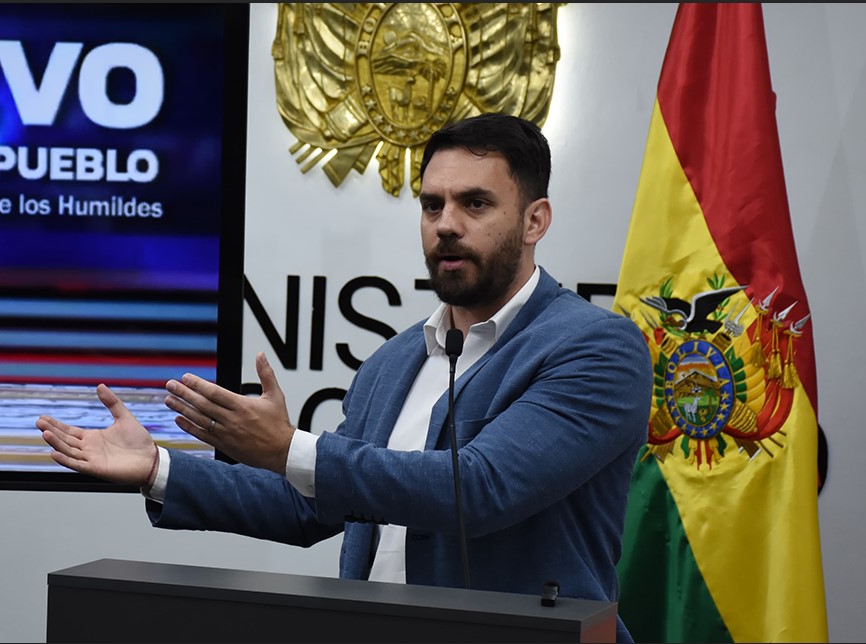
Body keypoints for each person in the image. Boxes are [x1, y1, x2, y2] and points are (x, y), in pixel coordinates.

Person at [36, 113, 652, 642]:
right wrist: (158, 468)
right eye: (432, 204)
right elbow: (312, 506)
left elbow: (483, 488)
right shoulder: (395, 361)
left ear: (535, 221)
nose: (446, 224)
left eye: (476, 203)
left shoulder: (596, 348)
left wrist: (290, 448)